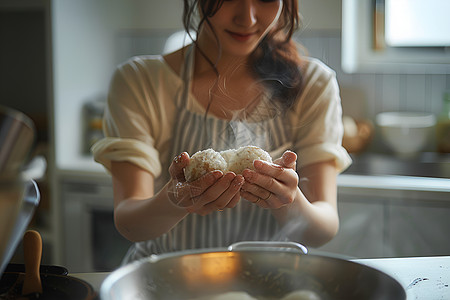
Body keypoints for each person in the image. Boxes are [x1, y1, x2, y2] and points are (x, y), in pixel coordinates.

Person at [92, 0, 352, 264]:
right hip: (165, 280)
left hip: (269, 282)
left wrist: (289, 201)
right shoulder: (140, 81)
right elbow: (128, 224)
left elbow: (323, 230)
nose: (247, 18)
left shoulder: (313, 85)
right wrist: (174, 200)